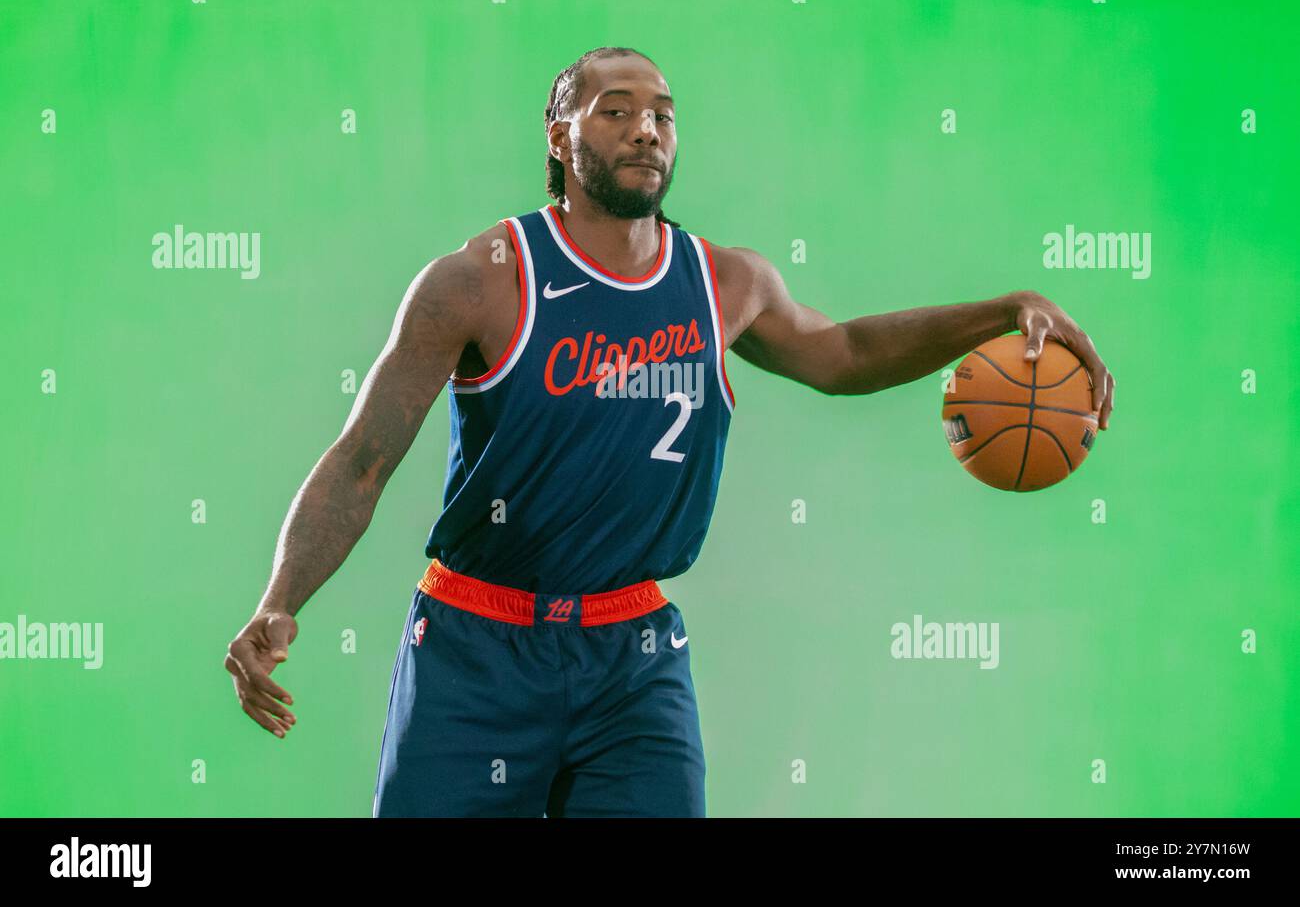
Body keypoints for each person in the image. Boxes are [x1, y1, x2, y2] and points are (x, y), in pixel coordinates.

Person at [224, 46, 1116, 817]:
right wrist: (280, 602)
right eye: (614, 111)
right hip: (475, 647)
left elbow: (843, 353)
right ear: (559, 136)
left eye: (662, 113)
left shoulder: (725, 282)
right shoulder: (481, 281)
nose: (645, 128)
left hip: (633, 660)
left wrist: (1001, 310)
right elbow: (363, 461)